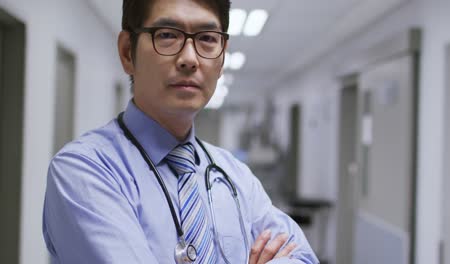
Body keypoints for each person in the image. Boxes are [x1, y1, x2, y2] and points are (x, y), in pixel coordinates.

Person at [42, 0, 319, 263]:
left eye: (207, 38)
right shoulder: (84, 171)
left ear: (221, 57)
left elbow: (303, 257)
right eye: (167, 35)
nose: (189, 58)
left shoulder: (235, 176)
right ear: (128, 52)